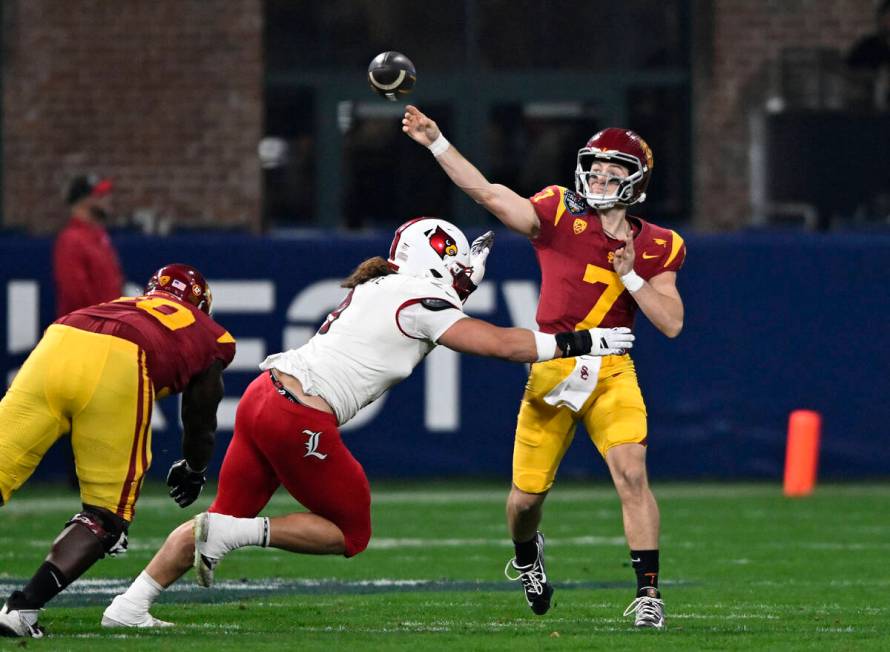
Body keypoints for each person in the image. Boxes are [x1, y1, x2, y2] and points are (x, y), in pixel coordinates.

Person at [99, 217, 635, 629]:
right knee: (350, 532)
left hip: (265, 397)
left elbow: (440, 306)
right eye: (455, 262)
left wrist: (463, 277)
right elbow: (500, 344)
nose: (463, 273)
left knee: (222, 515)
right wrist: (582, 340)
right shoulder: (417, 298)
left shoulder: (384, 285)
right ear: (435, 257)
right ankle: (232, 535)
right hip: (299, 415)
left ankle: (130, 604)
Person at [401, 106, 686, 629]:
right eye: (594, 167)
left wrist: (633, 278)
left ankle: (649, 594)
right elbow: (489, 194)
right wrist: (437, 142)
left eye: (612, 170)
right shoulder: (557, 211)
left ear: (635, 181)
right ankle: (527, 555)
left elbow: (671, 323)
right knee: (525, 501)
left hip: (612, 372)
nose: (600, 177)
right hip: (555, 368)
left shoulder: (658, 244)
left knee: (632, 472)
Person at [0, 264, 236, 638]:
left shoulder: (123, 303)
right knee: (105, 518)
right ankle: (21, 610)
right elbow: (200, 414)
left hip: (61, 337)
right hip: (121, 359)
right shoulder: (210, 333)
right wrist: (194, 468)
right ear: (201, 305)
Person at [53, 174, 124, 318]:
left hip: (106, 327)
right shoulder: (72, 240)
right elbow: (75, 294)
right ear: (83, 201)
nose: (107, 199)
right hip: (86, 330)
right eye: (100, 195)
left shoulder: (100, 237)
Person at [846, 0, 890, 110]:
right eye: (887, 17)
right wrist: (871, 77)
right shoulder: (867, 45)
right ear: (880, 20)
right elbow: (847, 71)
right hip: (868, 109)